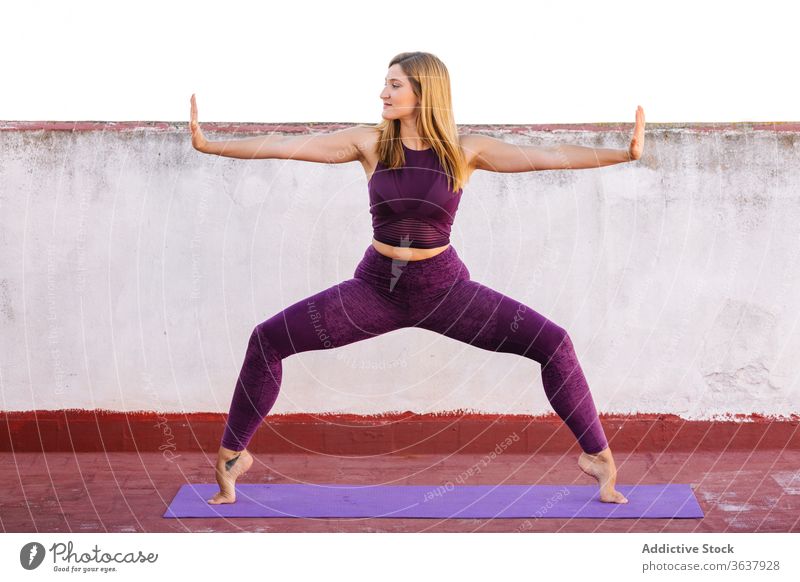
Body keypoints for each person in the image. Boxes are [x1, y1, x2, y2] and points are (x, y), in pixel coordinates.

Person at [189, 51, 645, 506]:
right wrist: (211, 145)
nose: (383, 93)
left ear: (423, 91)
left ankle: (597, 457)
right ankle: (234, 456)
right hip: (375, 289)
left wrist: (623, 154)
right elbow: (286, 147)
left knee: (554, 343)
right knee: (268, 339)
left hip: (445, 290)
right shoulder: (370, 144)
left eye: (394, 85)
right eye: (385, 84)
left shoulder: (465, 151)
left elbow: (550, 157)